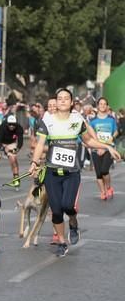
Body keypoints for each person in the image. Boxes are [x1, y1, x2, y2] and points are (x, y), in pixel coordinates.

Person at [29, 88, 121, 257]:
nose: (62, 101)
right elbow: (40, 144)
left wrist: (107, 147)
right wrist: (34, 162)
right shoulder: (47, 121)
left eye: (66, 98)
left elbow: (89, 141)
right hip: (52, 172)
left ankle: (73, 223)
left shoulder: (77, 120)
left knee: (68, 206)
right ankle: (62, 242)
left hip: (72, 172)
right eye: (59, 98)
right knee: (56, 210)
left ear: (71, 103)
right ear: (55, 102)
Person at [89, 97, 119, 200]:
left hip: (108, 148)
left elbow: (116, 131)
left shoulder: (111, 119)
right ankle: (103, 192)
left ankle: (109, 187)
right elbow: (91, 135)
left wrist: (112, 137)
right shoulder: (93, 121)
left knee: (104, 170)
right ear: (97, 105)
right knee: (98, 173)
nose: (102, 106)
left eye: (104, 104)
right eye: (100, 104)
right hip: (96, 149)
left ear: (107, 106)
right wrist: (97, 147)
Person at [0, 114, 24, 188]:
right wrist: (4, 149)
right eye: (10, 124)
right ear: (7, 124)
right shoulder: (2, 127)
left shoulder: (19, 128)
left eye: (13, 124)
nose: (11, 126)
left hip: (11, 143)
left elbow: (20, 141)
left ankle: (16, 178)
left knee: (13, 159)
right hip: (0, 143)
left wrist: (16, 149)